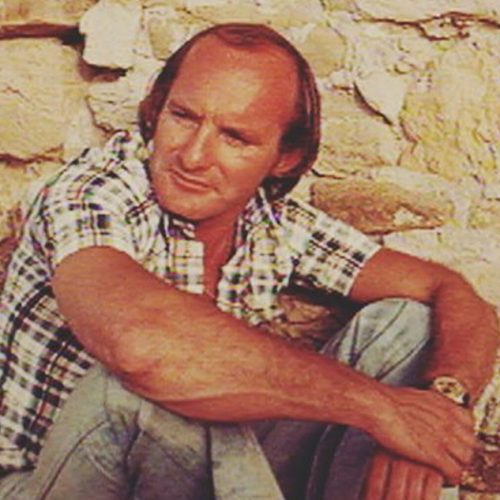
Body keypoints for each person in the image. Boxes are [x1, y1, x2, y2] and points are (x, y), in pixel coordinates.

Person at [0, 22, 497, 500]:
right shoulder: (93, 190)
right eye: (183, 117)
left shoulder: (272, 224)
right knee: (142, 386)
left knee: (405, 325)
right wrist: (383, 410)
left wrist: (437, 412)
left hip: (194, 471)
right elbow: (141, 348)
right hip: (45, 481)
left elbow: (450, 292)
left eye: (235, 137)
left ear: (285, 156)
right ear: (156, 109)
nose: (193, 156)